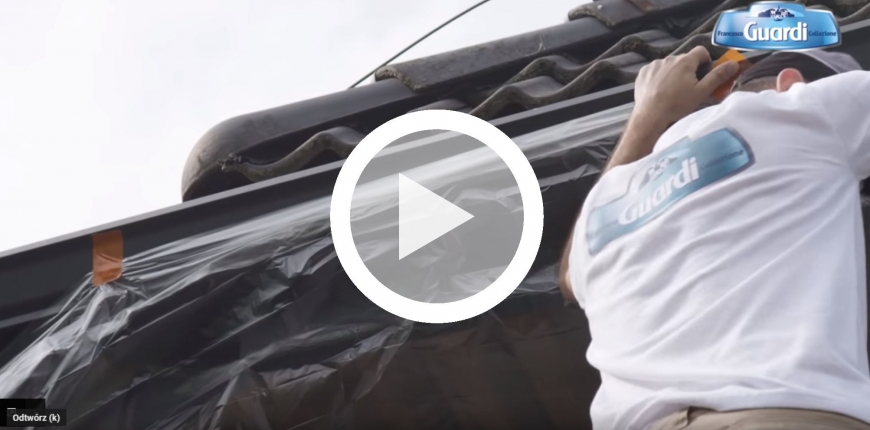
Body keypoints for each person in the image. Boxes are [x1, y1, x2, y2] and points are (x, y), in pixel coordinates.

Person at [559, 46, 870, 430]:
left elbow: (570, 278)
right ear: (792, 82)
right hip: (775, 413)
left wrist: (647, 115)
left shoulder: (613, 194)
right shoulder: (808, 108)